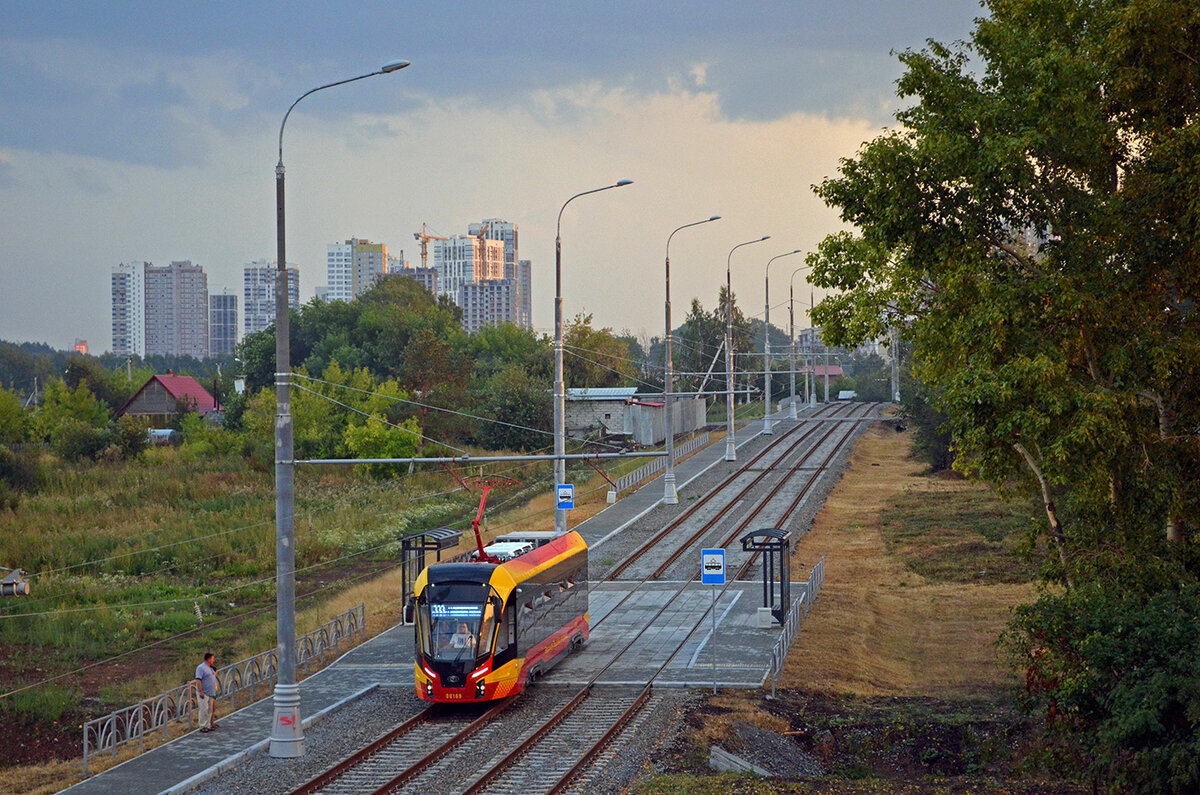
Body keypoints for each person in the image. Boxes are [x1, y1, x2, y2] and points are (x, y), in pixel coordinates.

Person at [194, 652, 220, 732]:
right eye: (212, 659)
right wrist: (201, 691)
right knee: (204, 709)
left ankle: (208, 724)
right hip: (204, 693)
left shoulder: (210, 668)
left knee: (210, 709)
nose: (213, 660)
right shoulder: (201, 668)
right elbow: (198, 680)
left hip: (211, 693)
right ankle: (202, 726)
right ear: (208, 659)